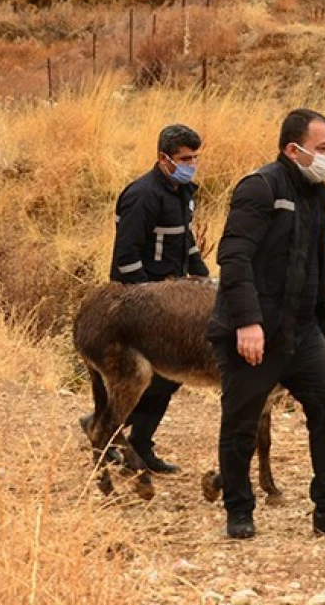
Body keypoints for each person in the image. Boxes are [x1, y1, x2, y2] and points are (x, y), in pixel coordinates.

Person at [207, 108, 325, 539]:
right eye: (321, 149)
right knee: (241, 423)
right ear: (293, 149)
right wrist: (247, 322)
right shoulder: (260, 188)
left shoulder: (315, 196)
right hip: (256, 335)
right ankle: (239, 510)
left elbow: (313, 270)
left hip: (301, 333)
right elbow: (234, 258)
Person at [82, 123, 209, 474]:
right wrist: (154, 301)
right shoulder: (143, 195)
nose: (192, 164)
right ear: (163, 158)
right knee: (156, 379)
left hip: (171, 301)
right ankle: (107, 428)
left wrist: (202, 277)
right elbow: (126, 256)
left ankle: (127, 438)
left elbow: (187, 241)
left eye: (195, 157)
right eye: (185, 158)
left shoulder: (183, 192)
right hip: (143, 304)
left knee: (168, 381)